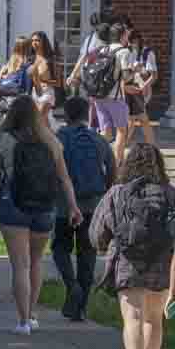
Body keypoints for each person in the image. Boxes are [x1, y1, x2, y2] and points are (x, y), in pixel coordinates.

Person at [90, 140, 175, 349]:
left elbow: (98, 230)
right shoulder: (170, 193)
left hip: (128, 260)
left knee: (131, 318)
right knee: (154, 318)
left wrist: (103, 245)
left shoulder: (117, 193)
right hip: (160, 261)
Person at [0, 94, 81, 335]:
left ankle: (22, 321)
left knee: (19, 265)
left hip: (13, 205)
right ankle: (32, 315)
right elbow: (64, 178)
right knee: (35, 262)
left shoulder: (3, 139)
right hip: (45, 206)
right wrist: (73, 207)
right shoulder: (50, 140)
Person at [51, 91, 112, 322]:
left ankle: (71, 285)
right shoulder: (99, 140)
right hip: (92, 206)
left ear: (66, 115)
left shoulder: (58, 138)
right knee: (87, 254)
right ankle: (82, 306)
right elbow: (112, 171)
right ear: (87, 115)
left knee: (60, 249)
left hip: (63, 206)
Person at [85, 21, 135, 163]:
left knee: (105, 133)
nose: (128, 36)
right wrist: (135, 70)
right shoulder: (124, 51)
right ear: (122, 35)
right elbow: (126, 77)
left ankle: (97, 159)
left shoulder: (103, 50)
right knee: (121, 131)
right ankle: (118, 162)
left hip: (99, 96)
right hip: (115, 97)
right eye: (126, 34)